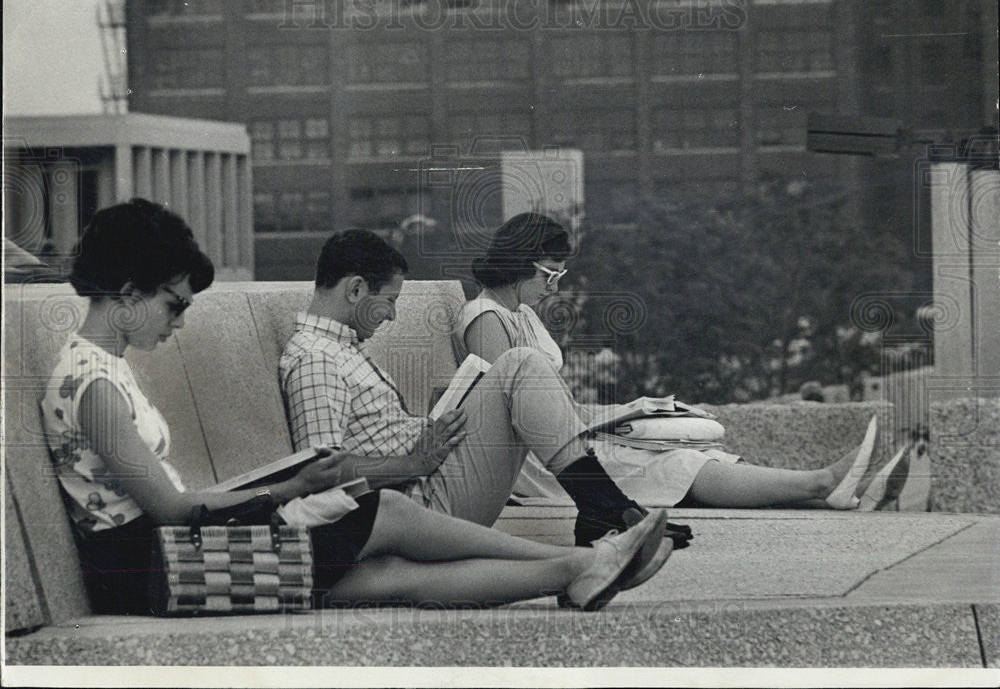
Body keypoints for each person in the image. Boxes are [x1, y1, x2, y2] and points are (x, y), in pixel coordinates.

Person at [41, 199, 674, 616]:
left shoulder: (97, 369)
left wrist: (292, 485)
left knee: (394, 578)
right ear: (127, 295)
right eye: (174, 304)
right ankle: (594, 558)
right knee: (387, 519)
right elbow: (173, 509)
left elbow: (169, 505)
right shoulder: (92, 384)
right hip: (158, 568)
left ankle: (581, 568)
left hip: (163, 565)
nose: (178, 322)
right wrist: (294, 483)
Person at [454, 212, 910, 515]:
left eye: (561, 276)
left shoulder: (523, 315)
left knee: (688, 453)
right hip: (542, 461)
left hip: (568, 434)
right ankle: (824, 481)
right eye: (550, 274)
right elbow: (513, 413)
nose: (555, 286)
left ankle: (835, 494)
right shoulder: (485, 318)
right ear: (520, 264)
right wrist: (607, 424)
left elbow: (551, 401)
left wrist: (624, 414)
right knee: (673, 464)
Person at [279, 229, 689, 549]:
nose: (391, 316)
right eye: (389, 301)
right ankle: (605, 507)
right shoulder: (316, 359)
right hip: (420, 500)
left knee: (519, 366)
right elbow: (322, 476)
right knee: (520, 364)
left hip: (430, 484)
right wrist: (412, 464)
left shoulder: (338, 349)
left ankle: (603, 508)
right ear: (354, 290)